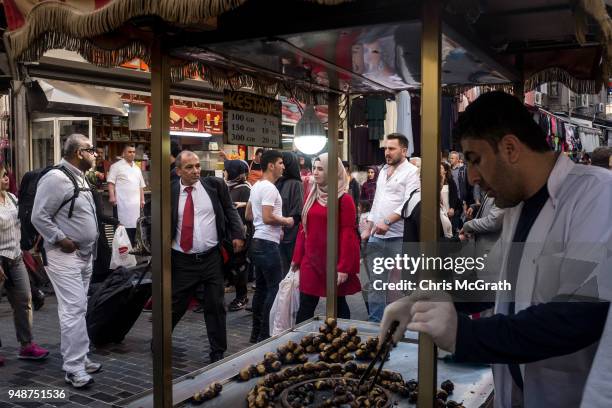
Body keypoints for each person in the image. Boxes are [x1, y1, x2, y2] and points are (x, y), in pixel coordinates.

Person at [380, 91, 612, 408]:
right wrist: (427, 300)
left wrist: (465, 335)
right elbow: (502, 286)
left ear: (510, 148)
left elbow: (578, 314)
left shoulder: (597, 195)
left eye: (476, 160)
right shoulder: (518, 204)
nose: (472, 176)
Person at [31, 134, 102, 388]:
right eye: (90, 149)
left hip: (84, 255)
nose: (95, 154)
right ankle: (73, 368)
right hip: (64, 256)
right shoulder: (56, 178)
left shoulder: (79, 176)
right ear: (78, 152)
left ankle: (81, 358)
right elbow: (39, 216)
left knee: (79, 307)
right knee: (73, 309)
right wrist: (61, 239)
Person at [170, 151, 245, 363]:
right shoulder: (169, 191)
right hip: (182, 260)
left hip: (211, 257)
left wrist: (238, 234)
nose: (195, 171)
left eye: (197, 166)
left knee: (216, 305)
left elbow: (229, 210)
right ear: (178, 171)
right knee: (176, 305)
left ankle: (217, 350)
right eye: (189, 167)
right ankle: (161, 338)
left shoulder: (214, 186)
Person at [292, 153, 361, 322]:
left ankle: (342, 338)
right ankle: (301, 342)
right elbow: (304, 227)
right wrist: (297, 258)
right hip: (311, 260)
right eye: (314, 168)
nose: (315, 172)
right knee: (306, 305)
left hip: (334, 261)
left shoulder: (344, 200)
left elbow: (348, 234)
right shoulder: (312, 196)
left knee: (338, 304)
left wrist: (344, 267)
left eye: (320, 169)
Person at [361, 133, 420, 322]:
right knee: (376, 284)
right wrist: (369, 226)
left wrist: (387, 221)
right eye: (386, 148)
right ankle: (376, 325)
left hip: (400, 237)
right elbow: (377, 201)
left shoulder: (411, 171)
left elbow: (409, 203)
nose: (387, 152)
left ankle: (403, 325)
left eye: (391, 148)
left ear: (404, 150)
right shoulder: (383, 170)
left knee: (403, 286)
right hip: (377, 237)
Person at [0, 167, 49, 367]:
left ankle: (26, 345)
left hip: (16, 257)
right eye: (2, 175)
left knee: (24, 300)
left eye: (6, 175)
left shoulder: (12, 198)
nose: (6, 178)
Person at [246, 150, 294, 342]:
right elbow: (267, 217)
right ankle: (265, 334)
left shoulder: (256, 186)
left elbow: (249, 215)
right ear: (271, 166)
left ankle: (256, 333)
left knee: (261, 290)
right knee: (274, 289)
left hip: (258, 242)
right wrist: (286, 221)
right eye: (281, 163)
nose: (284, 166)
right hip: (267, 245)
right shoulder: (269, 188)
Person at [223, 159, 252, 312]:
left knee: (239, 266)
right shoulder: (228, 186)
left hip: (239, 234)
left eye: (227, 170)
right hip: (227, 234)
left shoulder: (245, 189)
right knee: (230, 265)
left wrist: (239, 236)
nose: (224, 172)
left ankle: (242, 297)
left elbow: (246, 214)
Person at [107, 144, 146, 245]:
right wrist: (112, 196)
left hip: (135, 205)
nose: (132, 154)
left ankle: (132, 254)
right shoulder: (116, 166)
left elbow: (140, 186)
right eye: (129, 152)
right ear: (123, 153)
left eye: (133, 152)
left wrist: (142, 199)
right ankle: (121, 254)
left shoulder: (137, 168)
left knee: (134, 230)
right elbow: (111, 183)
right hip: (121, 203)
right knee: (122, 230)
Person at [276, 152, 304, 275]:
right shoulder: (278, 182)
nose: (281, 166)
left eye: (282, 163)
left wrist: (284, 225)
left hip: (290, 235)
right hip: (278, 233)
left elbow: (297, 211)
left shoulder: (295, 184)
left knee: (289, 271)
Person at [440, 162, 460, 239]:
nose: (439, 170)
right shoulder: (436, 181)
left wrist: (452, 208)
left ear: (445, 171)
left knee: (449, 227)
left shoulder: (450, 181)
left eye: (441, 168)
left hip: (448, 208)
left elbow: (454, 195)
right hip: (441, 209)